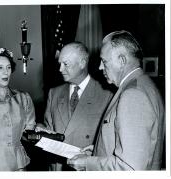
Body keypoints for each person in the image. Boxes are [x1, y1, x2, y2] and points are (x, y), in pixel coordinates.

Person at [67, 30, 165, 170]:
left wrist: (87, 163)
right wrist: (98, 152)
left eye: (104, 61)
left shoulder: (133, 95)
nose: (100, 67)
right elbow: (140, 147)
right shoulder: (145, 84)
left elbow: (130, 168)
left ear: (122, 61)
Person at [36, 42, 113, 171]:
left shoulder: (106, 95)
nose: (60, 69)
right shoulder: (54, 93)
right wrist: (41, 129)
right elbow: (50, 128)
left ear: (82, 63)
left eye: (65, 64)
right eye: (59, 64)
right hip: (58, 168)